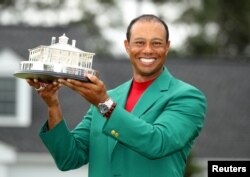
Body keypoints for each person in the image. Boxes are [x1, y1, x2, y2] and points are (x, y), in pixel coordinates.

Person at [27, 14, 206, 177]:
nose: (148, 50)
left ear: (167, 47)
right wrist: (52, 105)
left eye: (157, 43)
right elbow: (69, 158)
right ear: (127, 46)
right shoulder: (106, 98)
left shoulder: (187, 97)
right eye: (139, 42)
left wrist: (104, 103)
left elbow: (157, 142)